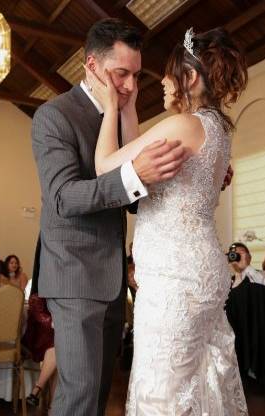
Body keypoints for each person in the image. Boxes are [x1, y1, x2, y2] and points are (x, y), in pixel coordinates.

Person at [30, 18, 196, 416]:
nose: (129, 86)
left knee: (100, 394)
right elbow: (63, 197)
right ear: (91, 65)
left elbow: (136, 200)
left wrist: (193, 173)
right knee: (79, 397)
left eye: (136, 75)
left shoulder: (124, 117)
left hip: (113, 282)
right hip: (74, 277)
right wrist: (135, 174)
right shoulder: (54, 117)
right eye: (121, 74)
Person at [86, 23, 248, 414]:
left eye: (169, 74)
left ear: (189, 77)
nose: (162, 82)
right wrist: (128, 109)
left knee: (163, 389)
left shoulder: (183, 124)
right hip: (203, 270)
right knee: (199, 379)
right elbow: (140, 158)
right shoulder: (217, 129)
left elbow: (107, 165)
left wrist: (111, 106)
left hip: (176, 280)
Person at [22, 236, 57, 409]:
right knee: (58, 342)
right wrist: (55, 322)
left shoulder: (59, 287)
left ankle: (39, 393)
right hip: (37, 335)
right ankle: (44, 396)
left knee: (60, 342)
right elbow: (40, 318)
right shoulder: (36, 290)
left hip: (53, 335)